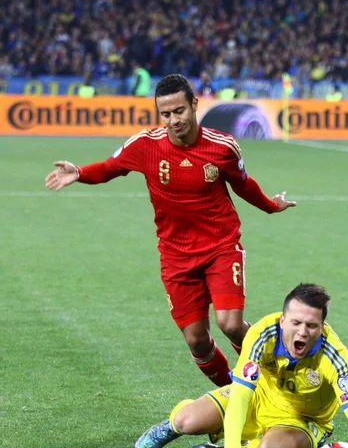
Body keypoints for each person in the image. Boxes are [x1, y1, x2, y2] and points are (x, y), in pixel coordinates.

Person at [45, 74, 296, 387]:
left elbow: (243, 185)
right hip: (175, 256)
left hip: (221, 246)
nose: (174, 120)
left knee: (230, 324)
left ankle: (279, 377)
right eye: (166, 114)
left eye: (179, 111)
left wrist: (271, 206)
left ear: (194, 104)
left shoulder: (223, 148)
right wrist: (79, 173)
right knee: (197, 341)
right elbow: (110, 169)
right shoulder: (144, 145)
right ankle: (234, 398)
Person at [135, 283, 348, 448]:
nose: (302, 332)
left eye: (311, 325)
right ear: (283, 320)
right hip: (259, 398)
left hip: (301, 420)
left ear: (322, 327)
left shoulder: (334, 355)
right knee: (186, 421)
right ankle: (175, 428)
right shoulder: (262, 334)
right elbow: (240, 394)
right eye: (296, 322)